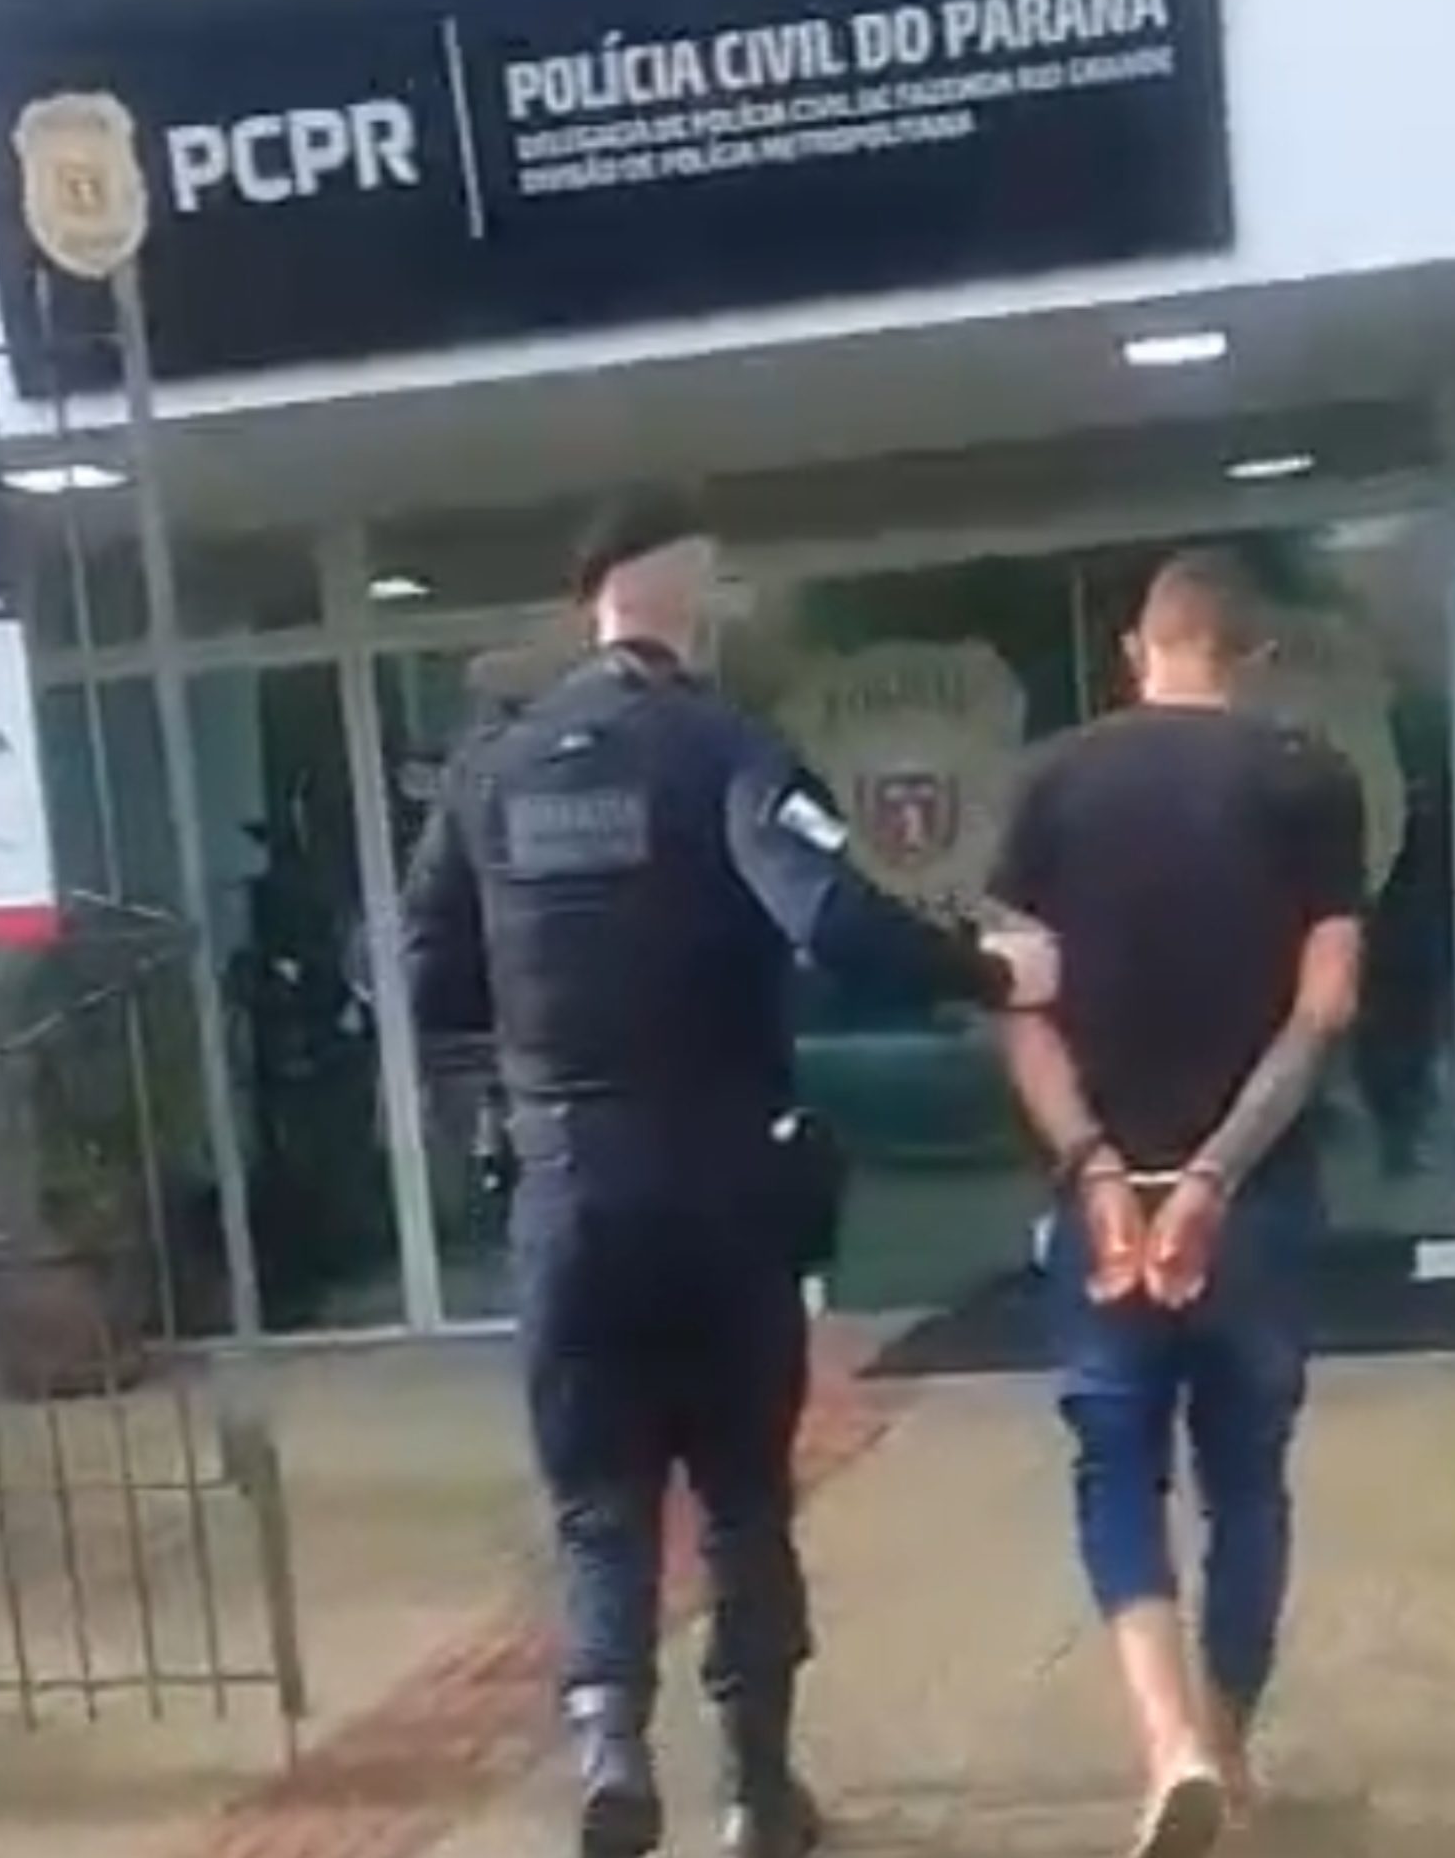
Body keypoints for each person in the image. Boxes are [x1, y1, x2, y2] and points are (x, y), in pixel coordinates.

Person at [400, 490, 1058, 1858]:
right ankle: (758, 1794)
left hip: (567, 1192)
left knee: (597, 1501)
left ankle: (609, 1751)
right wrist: (988, 969)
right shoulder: (726, 750)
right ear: (691, 591)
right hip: (720, 1194)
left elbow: (419, 978)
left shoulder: (492, 772)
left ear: (591, 599)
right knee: (744, 1495)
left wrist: (527, 1054)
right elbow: (834, 916)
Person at [987, 549, 1367, 1855]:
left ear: (1136, 653)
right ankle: (1229, 1747)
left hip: (1100, 1205)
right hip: (1255, 1201)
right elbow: (1327, 1004)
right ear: (1253, 657)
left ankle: (1170, 1750)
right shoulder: (1310, 779)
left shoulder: (1048, 784)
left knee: (1116, 1470)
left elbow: (1019, 1013)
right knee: (1248, 1481)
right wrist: (1214, 1174)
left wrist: (1097, 1167)